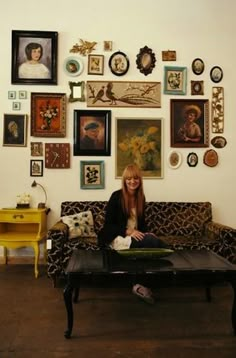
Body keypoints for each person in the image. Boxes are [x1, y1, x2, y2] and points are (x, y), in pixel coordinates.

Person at [98, 164, 168, 304]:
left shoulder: (141, 198)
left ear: (140, 180)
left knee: (156, 244)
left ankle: (139, 284)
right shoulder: (116, 196)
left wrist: (146, 234)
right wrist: (127, 231)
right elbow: (108, 226)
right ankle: (139, 286)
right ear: (124, 180)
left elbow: (140, 225)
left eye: (135, 178)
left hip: (133, 237)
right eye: (129, 178)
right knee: (155, 244)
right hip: (117, 237)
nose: (132, 181)